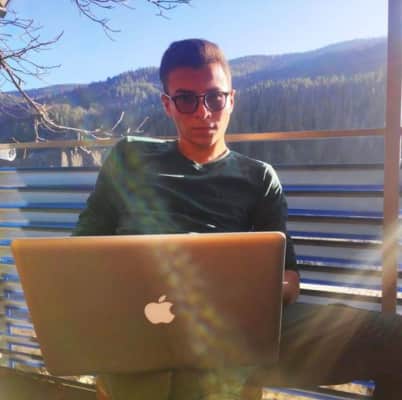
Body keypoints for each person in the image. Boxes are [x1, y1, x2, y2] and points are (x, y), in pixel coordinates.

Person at [73, 38, 402, 400]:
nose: (203, 113)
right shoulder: (129, 159)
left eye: (214, 98)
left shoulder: (258, 177)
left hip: (237, 326)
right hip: (145, 318)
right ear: (168, 105)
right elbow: (80, 252)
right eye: (186, 100)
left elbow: (289, 278)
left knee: (395, 339)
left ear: (231, 99)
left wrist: (249, 294)